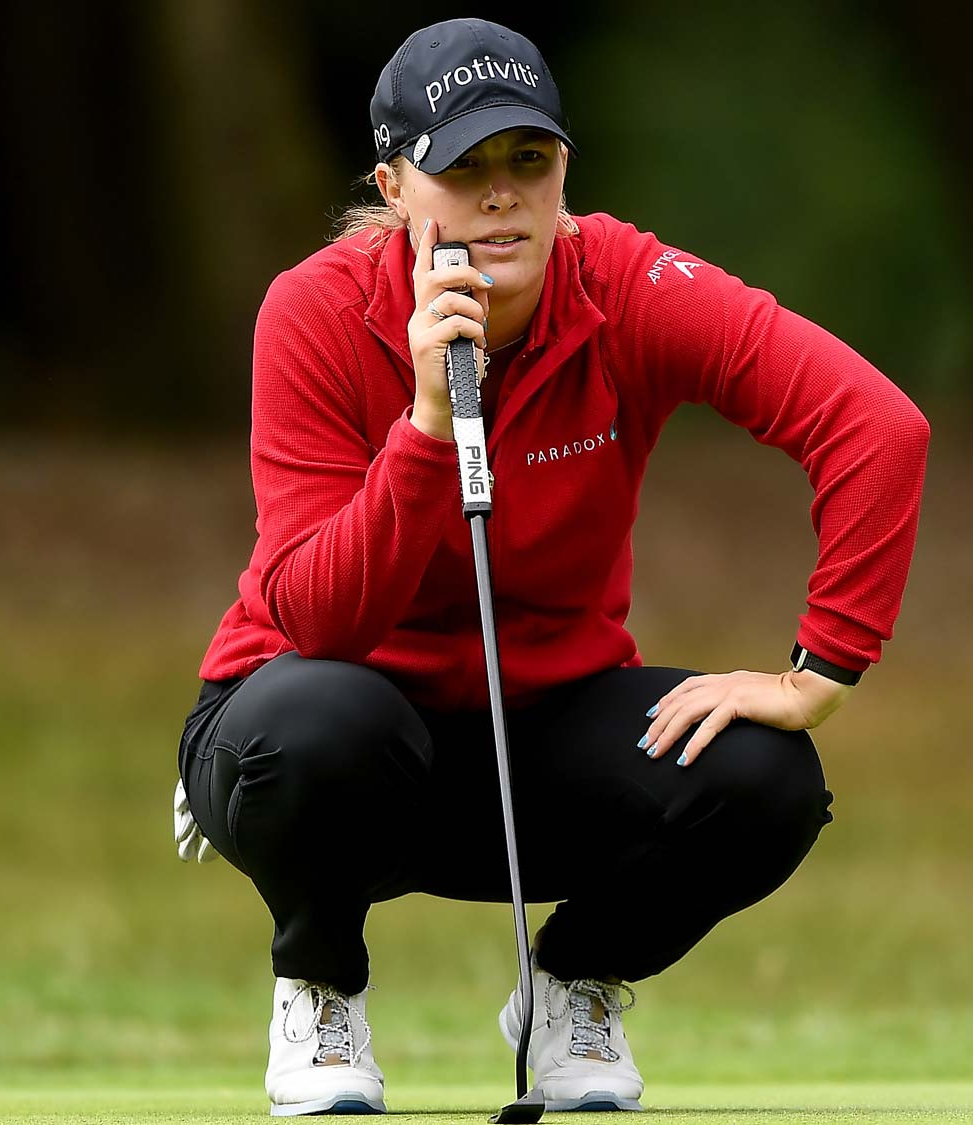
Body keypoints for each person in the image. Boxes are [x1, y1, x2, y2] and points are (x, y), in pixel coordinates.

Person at [172, 17, 929, 1117]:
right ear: (394, 185)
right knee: (321, 722)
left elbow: (875, 426)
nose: (499, 197)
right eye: (461, 168)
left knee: (763, 780)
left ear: (563, 172)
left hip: (535, 737)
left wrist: (818, 672)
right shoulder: (318, 310)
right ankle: (320, 986)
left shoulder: (627, 284)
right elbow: (318, 619)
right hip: (319, 740)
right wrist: (429, 427)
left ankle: (573, 982)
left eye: (527, 163)